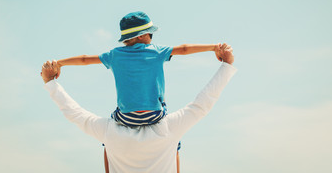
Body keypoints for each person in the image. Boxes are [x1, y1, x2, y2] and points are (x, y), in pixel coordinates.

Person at [42, 43, 236, 173]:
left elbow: (74, 113)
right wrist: (226, 66)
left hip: (117, 138)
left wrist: (50, 82)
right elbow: (203, 104)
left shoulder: (110, 132)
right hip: (163, 135)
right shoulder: (168, 130)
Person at [55, 11, 225, 127]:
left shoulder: (114, 55)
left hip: (126, 117)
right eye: (151, 34)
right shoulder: (157, 51)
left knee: (107, 142)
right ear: (143, 35)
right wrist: (214, 47)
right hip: (155, 115)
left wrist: (60, 63)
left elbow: (85, 60)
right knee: (175, 143)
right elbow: (185, 48)